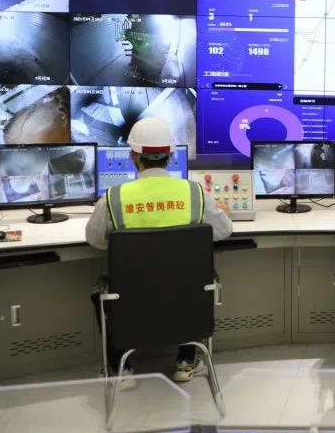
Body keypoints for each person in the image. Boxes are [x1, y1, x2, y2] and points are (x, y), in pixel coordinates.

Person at [85, 117, 233, 384]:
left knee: (101, 290)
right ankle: (186, 360)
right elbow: (223, 231)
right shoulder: (195, 194)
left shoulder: (113, 199)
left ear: (133, 156)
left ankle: (120, 368)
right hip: (184, 302)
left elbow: (96, 241)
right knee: (195, 280)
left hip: (132, 305)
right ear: (171, 156)